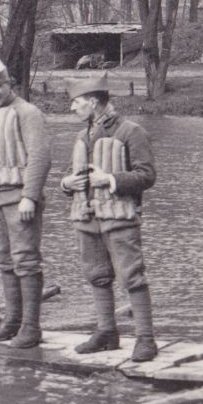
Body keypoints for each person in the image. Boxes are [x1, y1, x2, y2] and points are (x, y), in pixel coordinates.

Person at [60, 72, 158, 362]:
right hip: (87, 219)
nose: (72, 108)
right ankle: (107, 333)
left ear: (92, 101)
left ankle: (145, 339)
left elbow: (147, 175)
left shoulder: (132, 132)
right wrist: (66, 184)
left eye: (76, 102)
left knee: (132, 277)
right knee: (97, 276)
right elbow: (71, 174)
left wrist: (110, 179)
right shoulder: (82, 135)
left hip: (119, 217)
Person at [0, 58, 51, 348]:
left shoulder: (28, 113)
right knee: (3, 260)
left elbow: (40, 157)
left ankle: (31, 328)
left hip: (19, 198)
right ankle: (12, 322)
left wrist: (30, 196)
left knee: (26, 260)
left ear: (10, 84)